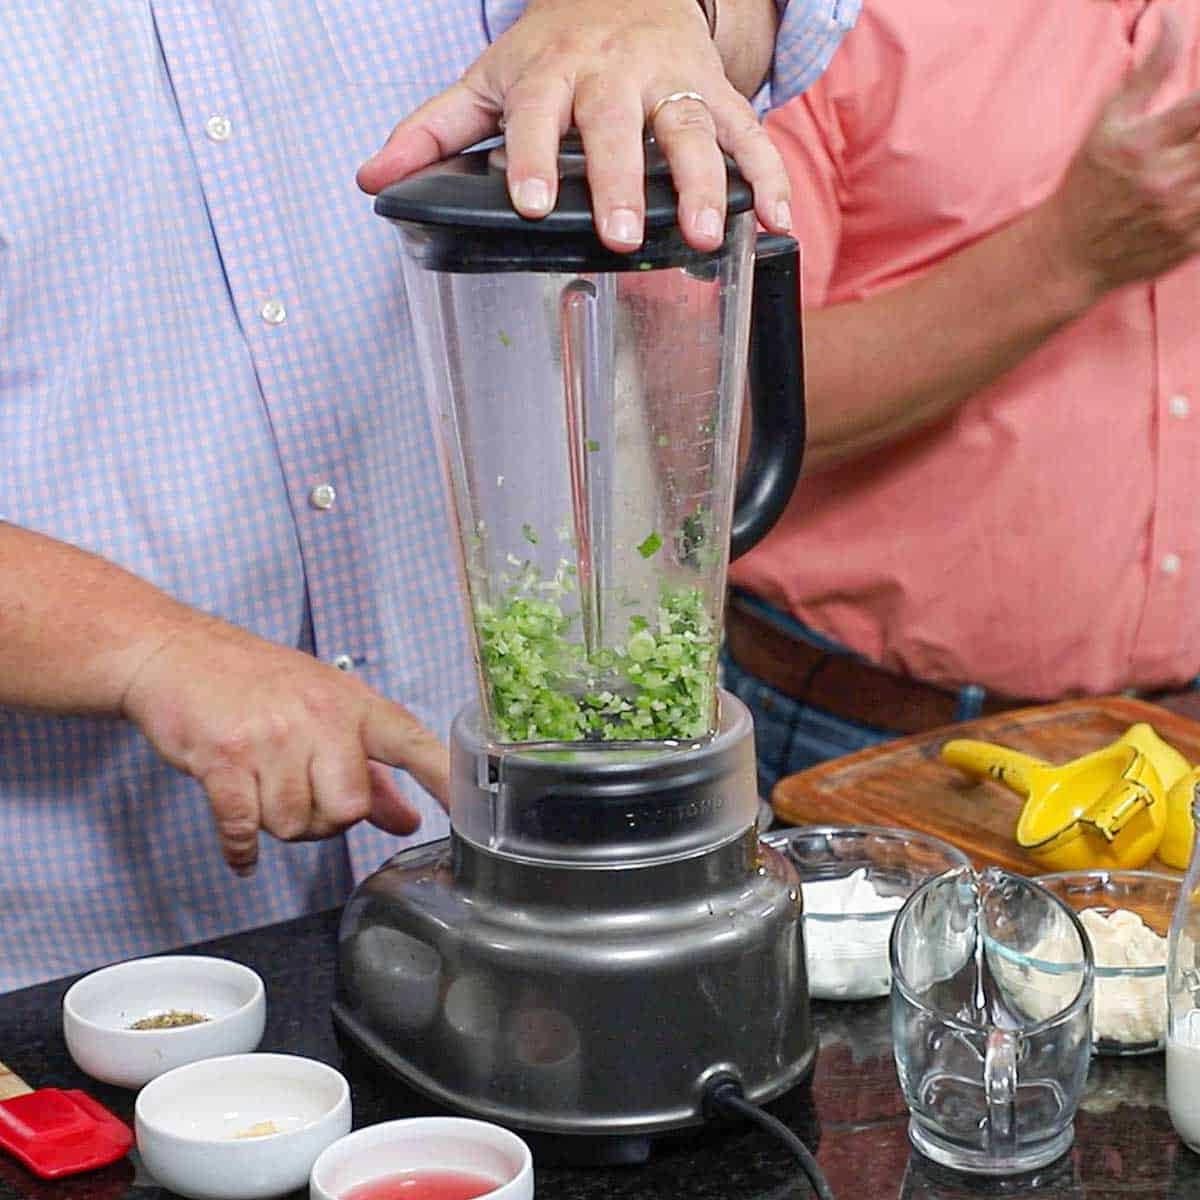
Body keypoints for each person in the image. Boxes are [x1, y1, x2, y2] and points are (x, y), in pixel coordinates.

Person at [0, 0, 857, 992]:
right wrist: (148, 650)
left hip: (542, 874)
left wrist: (661, 10)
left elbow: (750, 33)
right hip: (104, 957)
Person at [726, 1, 1200, 797]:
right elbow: (719, 419)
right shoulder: (820, 20)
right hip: (876, 745)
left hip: (1177, 754)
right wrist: (1065, 254)